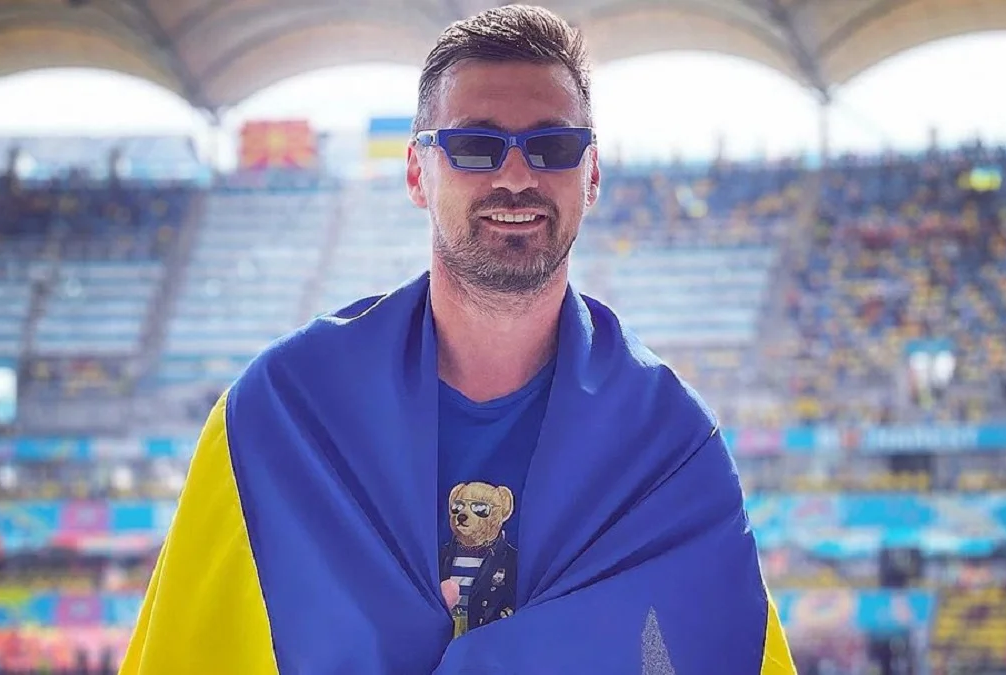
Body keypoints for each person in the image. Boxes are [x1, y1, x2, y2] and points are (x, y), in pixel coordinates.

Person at [120, 5, 795, 674]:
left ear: (591, 174)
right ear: (418, 173)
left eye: (554, 146)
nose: (517, 176)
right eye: (475, 145)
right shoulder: (277, 420)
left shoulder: (670, 445)